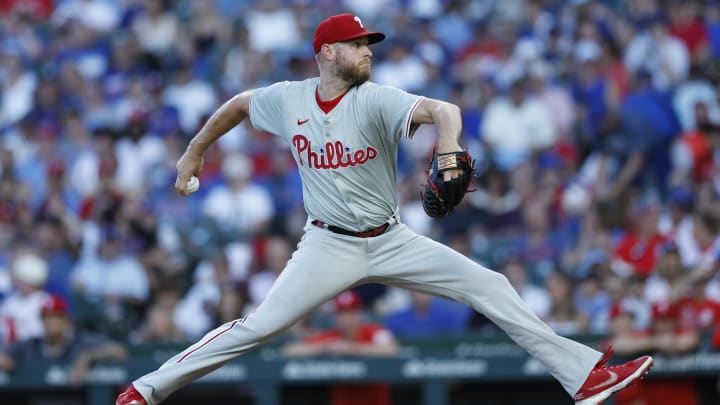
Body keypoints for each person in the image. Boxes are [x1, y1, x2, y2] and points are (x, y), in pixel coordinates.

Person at [117, 14, 653, 405]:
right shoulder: (290, 99)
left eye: (369, 43)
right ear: (327, 53)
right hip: (328, 243)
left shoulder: (376, 98)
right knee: (257, 328)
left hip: (391, 238)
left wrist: (447, 147)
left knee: (489, 285)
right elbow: (236, 105)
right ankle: (144, 391)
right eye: (357, 44)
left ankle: (583, 379)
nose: (367, 51)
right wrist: (193, 154)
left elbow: (445, 109)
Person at [283, 291, 398, 405]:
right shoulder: (331, 337)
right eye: (341, 313)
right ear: (335, 317)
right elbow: (289, 351)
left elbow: (391, 349)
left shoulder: (375, 331)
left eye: (351, 312)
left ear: (359, 313)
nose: (346, 319)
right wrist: (326, 347)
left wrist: (353, 349)